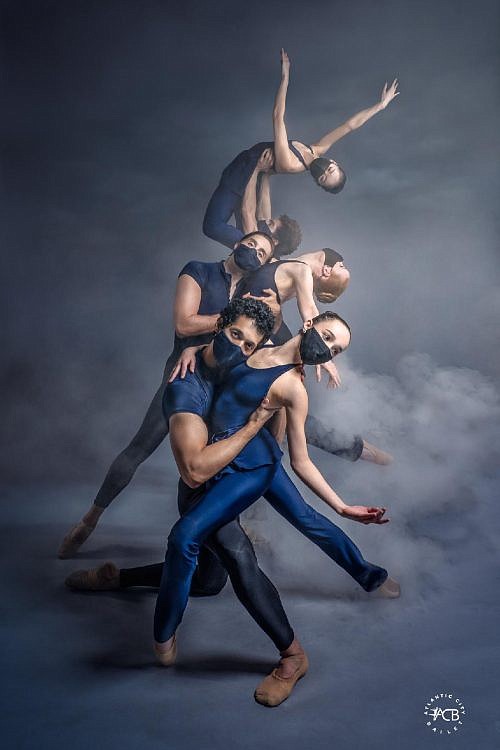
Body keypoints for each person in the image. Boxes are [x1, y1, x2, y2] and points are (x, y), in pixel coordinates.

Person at [67, 302, 399, 707]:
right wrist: (190, 351)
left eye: (336, 350)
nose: (327, 349)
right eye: (327, 337)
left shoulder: (294, 386)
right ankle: (117, 578)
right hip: (232, 455)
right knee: (209, 579)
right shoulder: (255, 344)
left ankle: (366, 584)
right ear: (309, 323)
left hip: (254, 466)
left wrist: (343, 505)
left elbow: (301, 459)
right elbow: (227, 341)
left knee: (296, 522)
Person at [57, 232, 275, 558]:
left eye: (262, 253)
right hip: (184, 374)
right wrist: (233, 320)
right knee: (141, 446)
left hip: (223, 384)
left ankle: (231, 530)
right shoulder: (199, 270)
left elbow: (259, 344)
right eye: (251, 245)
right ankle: (91, 518)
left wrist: (268, 312)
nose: (254, 253)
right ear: (236, 244)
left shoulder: (252, 292)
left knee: (229, 456)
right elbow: (184, 325)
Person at [202, 50, 399, 250]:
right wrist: (380, 106)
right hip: (250, 169)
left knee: (227, 230)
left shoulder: (291, 163)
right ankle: (253, 257)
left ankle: (256, 258)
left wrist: (285, 77)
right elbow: (350, 126)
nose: (323, 171)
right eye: (329, 170)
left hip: (245, 171)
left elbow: (278, 117)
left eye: (322, 178)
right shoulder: (317, 149)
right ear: (334, 163)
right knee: (246, 234)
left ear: (317, 182)